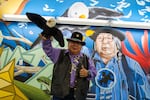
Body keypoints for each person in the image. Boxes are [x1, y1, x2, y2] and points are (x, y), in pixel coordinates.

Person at [89, 27, 150, 100]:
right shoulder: (86, 62)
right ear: (95, 45)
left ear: (117, 44)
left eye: (110, 38)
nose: (105, 41)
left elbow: (145, 95)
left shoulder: (131, 65)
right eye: (100, 38)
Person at [41, 31, 96, 100]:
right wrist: (46, 40)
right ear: (68, 43)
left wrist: (87, 73)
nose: (75, 45)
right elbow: (47, 49)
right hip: (60, 94)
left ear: (81, 46)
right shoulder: (59, 54)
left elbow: (94, 72)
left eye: (78, 43)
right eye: (73, 42)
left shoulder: (87, 59)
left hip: (78, 95)